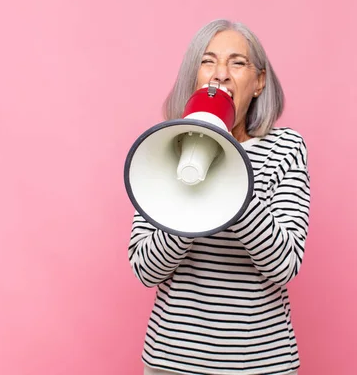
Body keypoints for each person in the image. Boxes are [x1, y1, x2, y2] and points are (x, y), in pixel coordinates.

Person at [128, 19, 311, 375]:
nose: (221, 74)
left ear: (259, 83)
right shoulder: (163, 147)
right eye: (208, 61)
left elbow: (285, 265)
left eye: (237, 63)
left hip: (261, 364)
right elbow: (145, 270)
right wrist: (186, 190)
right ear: (194, 77)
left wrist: (232, 177)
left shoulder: (286, 148)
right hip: (172, 361)